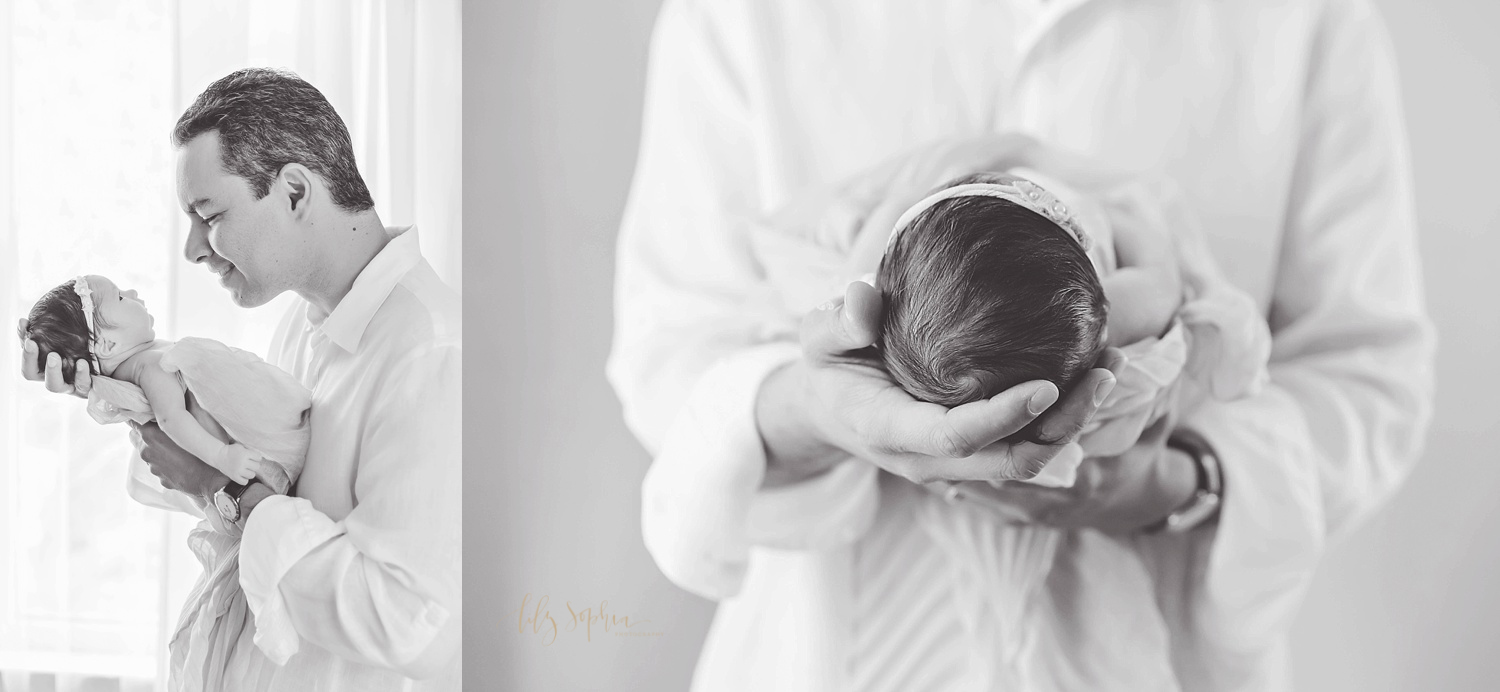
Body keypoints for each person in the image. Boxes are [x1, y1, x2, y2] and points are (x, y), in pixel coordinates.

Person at [608, 0, 1435, 690]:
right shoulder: (739, 19)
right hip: (843, 649)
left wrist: (1178, 480)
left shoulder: (1307, 21)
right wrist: (815, 403)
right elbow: (671, 345)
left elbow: (1368, 374)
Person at [19, 68, 460, 691]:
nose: (193, 250)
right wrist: (120, 390)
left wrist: (224, 485)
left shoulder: (428, 352)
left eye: (209, 214)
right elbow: (256, 485)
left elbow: (410, 625)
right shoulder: (301, 331)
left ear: (295, 193)